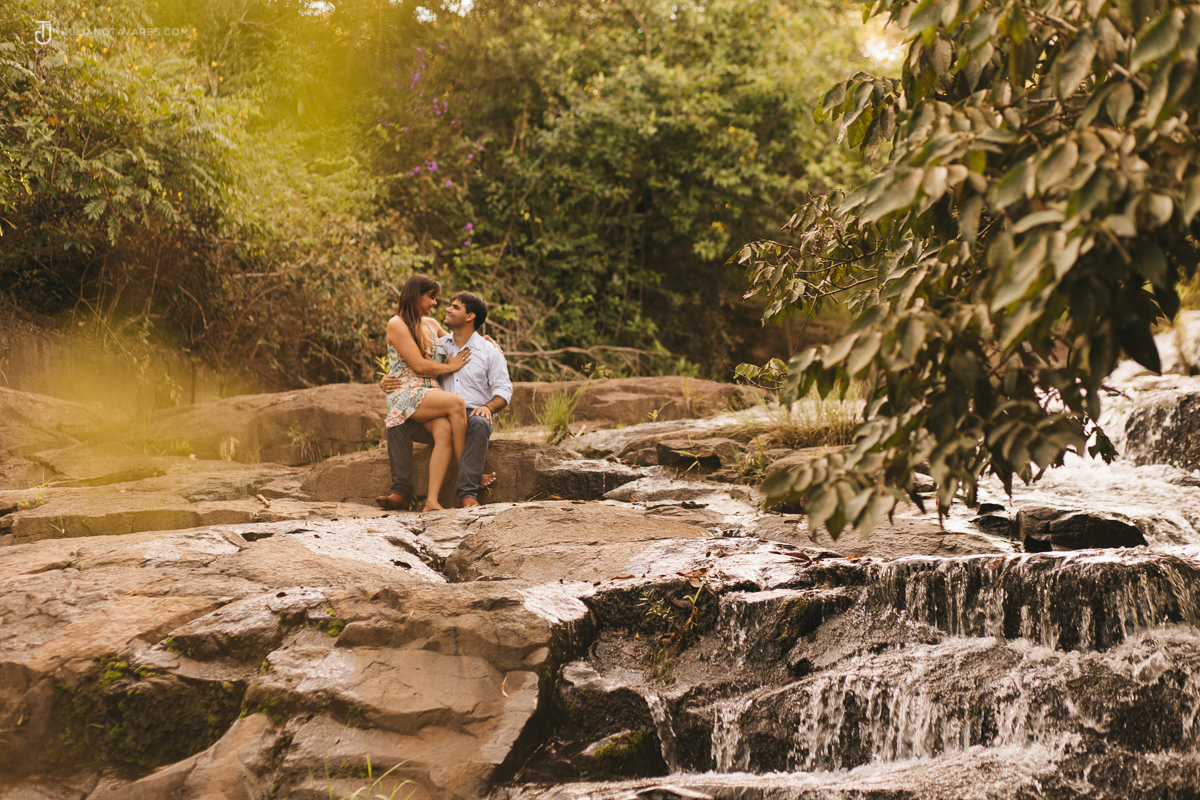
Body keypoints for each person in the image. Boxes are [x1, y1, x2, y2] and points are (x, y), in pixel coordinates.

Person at [376, 289, 512, 510]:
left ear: (470, 317)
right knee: (397, 419)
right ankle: (401, 491)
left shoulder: (489, 350)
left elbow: (504, 390)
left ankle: (467, 494)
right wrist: (386, 379)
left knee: (477, 422)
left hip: (473, 412)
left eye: (455, 307)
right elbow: (410, 358)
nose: (446, 309)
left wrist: (488, 407)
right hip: (438, 412)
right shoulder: (440, 344)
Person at [378, 274, 472, 512]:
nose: (435, 303)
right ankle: (468, 474)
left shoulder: (431, 324)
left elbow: (460, 342)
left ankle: (431, 501)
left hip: (431, 392)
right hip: (407, 391)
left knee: (445, 430)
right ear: (415, 295)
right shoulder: (396, 324)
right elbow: (418, 365)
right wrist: (451, 367)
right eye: (431, 297)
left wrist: (486, 343)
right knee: (457, 403)